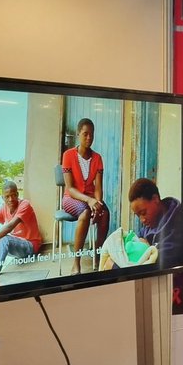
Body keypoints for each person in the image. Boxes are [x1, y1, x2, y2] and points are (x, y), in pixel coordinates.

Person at [61, 117, 109, 273]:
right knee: (85, 212)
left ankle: (98, 254)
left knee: (105, 213)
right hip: (71, 198)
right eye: (85, 134)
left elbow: (98, 188)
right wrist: (89, 201)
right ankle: (76, 262)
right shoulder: (68, 155)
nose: (89, 138)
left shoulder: (98, 158)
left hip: (91, 198)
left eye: (92, 134)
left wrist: (98, 203)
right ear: (78, 134)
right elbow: (70, 188)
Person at [128, 178, 183, 268]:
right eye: (138, 216)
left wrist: (146, 248)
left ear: (155, 199)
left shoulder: (178, 224)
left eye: (143, 213)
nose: (142, 220)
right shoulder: (149, 224)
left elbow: (159, 262)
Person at [0, 180, 42, 270]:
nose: (11, 199)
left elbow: (10, 226)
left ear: (17, 194)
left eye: (13, 195)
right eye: (7, 197)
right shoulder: (3, 207)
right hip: (18, 247)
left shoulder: (24, 205)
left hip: (31, 246)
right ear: (2, 198)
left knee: (3, 238)